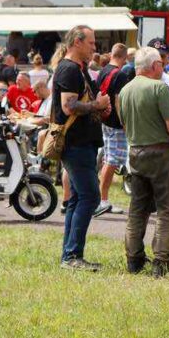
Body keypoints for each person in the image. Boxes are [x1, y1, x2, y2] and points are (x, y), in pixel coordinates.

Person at [118, 46, 169, 276]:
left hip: (136, 152)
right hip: (159, 153)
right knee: (167, 208)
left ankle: (133, 260)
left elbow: (124, 125)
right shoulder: (159, 88)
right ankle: (161, 262)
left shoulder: (125, 90)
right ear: (154, 66)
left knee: (137, 209)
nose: (163, 66)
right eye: (161, 63)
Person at [54, 25, 110, 272]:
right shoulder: (68, 69)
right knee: (90, 196)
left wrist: (100, 107)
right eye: (91, 43)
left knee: (78, 198)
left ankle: (70, 253)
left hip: (83, 143)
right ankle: (72, 255)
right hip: (76, 143)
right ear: (77, 42)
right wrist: (97, 104)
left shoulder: (79, 69)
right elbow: (68, 106)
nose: (94, 48)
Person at [95, 43, 133, 217]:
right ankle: (102, 200)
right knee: (112, 161)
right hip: (115, 123)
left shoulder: (103, 70)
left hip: (105, 120)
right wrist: (124, 121)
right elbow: (119, 99)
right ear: (124, 58)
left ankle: (102, 199)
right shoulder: (120, 74)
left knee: (109, 159)